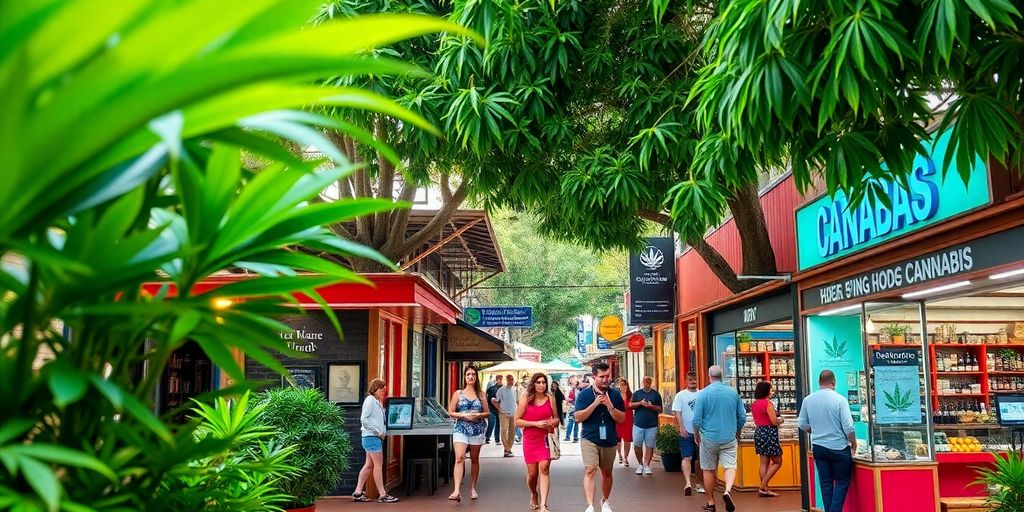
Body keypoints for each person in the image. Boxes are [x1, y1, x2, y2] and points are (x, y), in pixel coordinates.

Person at [798, 370, 856, 512]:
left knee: (825, 483)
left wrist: (814, 430)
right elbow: (848, 426)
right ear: (834, 382)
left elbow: (801, 423)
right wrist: (853, 442)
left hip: (819, 447)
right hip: (839, 447)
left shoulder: (808, 400)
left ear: (819, 382)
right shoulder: (840, 400)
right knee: (842, 481)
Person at [692, 365, 745, 512]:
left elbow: (696, 420)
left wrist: (696, 434)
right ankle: (727, 490)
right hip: (729, 436)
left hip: (709, 437)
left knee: (708, 469)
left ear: (709, 375)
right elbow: (742, 416)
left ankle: (710, 502)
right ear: (722, 376)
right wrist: (737, 432)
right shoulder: (733, 392)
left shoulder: (703, 393)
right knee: (730, 466)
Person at [574, 363, 625, 512]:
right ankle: (590, 505)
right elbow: (578, 417)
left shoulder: (615, 395)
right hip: (589, 438)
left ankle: (605, 501)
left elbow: (622, 418)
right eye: (601, 377)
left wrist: (610, 406)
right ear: (594, 376)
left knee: (607, 472)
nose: (605, 380)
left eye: (607, 376)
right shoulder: (585, 394)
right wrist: (594, 404)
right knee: (590, 469)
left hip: (609, 438)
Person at [515, 373, 559, 512]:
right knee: (532, 474)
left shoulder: (550, 398)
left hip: (545, 439)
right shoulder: (525, 399)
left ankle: (543, 505)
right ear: (533, 384)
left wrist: (551, 423)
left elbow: (557, 418)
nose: (541, 385)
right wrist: (536, 424)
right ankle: (534, 493)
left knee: (544, 468)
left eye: (543, 382)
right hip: (530, 440)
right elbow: (517, 420)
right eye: (538, 382)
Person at [352, 379, 400, 503]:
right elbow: (364, 419)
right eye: (381, 389)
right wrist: (377, 432)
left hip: (371, 437)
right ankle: (382, 494)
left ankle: (358, 492)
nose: (383, 391)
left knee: (369, 465)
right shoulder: (370, 401)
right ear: (374, 389)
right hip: (372, 437)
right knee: (378, 465)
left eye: (384, 389)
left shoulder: (376, 401)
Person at [447, 365, 489, 502]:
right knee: (459, 457)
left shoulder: (481, 394)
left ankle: (473, 488)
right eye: (468, 374)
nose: (471, 377)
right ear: (464, 377)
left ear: (476, 377)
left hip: (477, 429)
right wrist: (463, 415)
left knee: (475, 459)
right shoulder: (458, 394)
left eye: (473, 374)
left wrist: (478, 415)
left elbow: (488, 412)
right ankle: (456, 490)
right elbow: (451, 412)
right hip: (461, 428)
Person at [672, 371, 703, 495]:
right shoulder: (681, 395)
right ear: (686, 381)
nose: (693, 382)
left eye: (695, 379)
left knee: (700, 460)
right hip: (686, 432)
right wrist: (681, 427)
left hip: (701, 432)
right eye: (690, 380)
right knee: (687, 457)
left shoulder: (702, 394)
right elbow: (677, 412)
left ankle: (699, 483)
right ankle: (688, 483)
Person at [752, 381, 784, 497]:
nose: (772, 391)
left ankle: (765, 489)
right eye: (770, 389)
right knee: (777, 461)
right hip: (769, 432)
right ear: (766, 391)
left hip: (759, 432)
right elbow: (774, 421)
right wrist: (780, 420)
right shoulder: (768, 404)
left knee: (763, 462)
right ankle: (763, 486)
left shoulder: (754, 403)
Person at [629, 375, 662, 475]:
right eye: (644, 381)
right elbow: (630, 405)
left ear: (651, 382)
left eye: (648, 381)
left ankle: (647, 465)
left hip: (652, 425)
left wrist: (651, 406)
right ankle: (640, 464)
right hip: (638, 424)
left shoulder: (656, 394)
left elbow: (660, 409)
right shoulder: (637, 394)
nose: (646, 382)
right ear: (642, 382)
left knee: (650, 445)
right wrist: (640, 403)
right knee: (637, 445)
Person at [496, 374, 519, 457]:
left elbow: (516, 401)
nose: (510, 381)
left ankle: (508, 449)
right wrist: (500, 409)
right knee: (504, 430)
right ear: (506, 380)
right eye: (509, 379)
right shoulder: (501, 390)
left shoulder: (514, 389)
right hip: (504, 413)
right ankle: (506, 448)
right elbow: (495, 400)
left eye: (512, 379)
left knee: (512, 432)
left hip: (513, 413)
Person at [615, 378, 634, 467]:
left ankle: (626, 457)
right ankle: (620, 455)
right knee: (618, 440)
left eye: (623, 384)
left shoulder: (631, 395)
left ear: (627, 385)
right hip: (618, 419)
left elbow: (634, 405)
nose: (622, 386)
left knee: (627, 440)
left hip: (628, 420)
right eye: (620, 384)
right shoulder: (616, 395)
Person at [486, 374, 502, 444]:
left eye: (501, 379)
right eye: (499, 379)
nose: (500, 380)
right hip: (492, 408)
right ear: (496, 379)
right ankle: (487, 437)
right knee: (491, 423)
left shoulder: (504, 388)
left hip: (500, 408)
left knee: (498, 423)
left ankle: (497, 439)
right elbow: (489, 398)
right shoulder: (491, 388)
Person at [564, 376, 580, 442]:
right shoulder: (575, 390)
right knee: (575, 423)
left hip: (573, 408)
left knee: (571, 422)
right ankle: (574, 437)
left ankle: (569, 437)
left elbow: (574, 399)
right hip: (575, 408)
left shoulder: (575, 390)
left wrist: (568, 399)